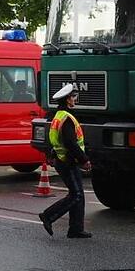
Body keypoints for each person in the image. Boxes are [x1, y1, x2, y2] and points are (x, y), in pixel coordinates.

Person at [38, 83, 92, 239]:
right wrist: (84, 159)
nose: (74, 100)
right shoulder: (67, 118)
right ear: (68, 100)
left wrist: (51, 155)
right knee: (76, 195)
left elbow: (53, 139)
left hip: (63, 160)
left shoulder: (58, 116)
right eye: (73, 97)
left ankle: (76, 229)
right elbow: (69, 142)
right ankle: (48, 216)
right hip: (68, 161)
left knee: (78, 193)